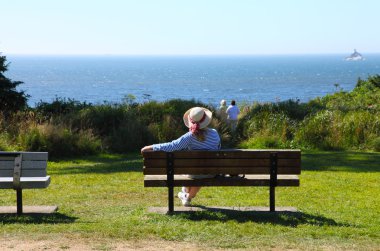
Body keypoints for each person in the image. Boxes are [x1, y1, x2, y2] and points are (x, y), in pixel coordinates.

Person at [141, 107, 221, 206]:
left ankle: (186, 194)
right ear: (206, 120)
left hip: (195, 172)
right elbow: (218, 148)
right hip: (211, 172)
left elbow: (172, 146)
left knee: (191, 173)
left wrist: (152, 147)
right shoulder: (214, 133)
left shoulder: (189, 136)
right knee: (201, 174)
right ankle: (187, 197)